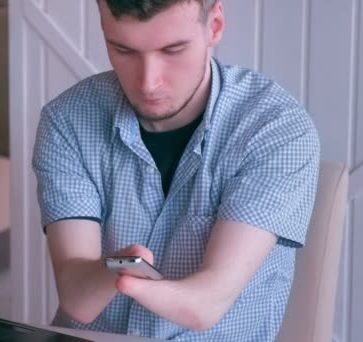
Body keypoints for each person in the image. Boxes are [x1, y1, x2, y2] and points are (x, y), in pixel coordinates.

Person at [32, 0, 320, 341]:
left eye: (173, 49)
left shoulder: (275, 128)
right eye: (123, 49)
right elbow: (78, 299)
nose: (149, 82)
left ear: (213, 25)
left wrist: (124, 275)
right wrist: (124, 266)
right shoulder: (67, 120)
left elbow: (205, 305)